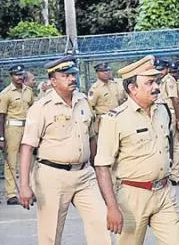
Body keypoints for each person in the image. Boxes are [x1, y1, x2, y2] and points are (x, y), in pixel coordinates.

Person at [17, 55, 111, 245]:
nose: (72, 79)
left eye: (73, 74)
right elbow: (27, 148)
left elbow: (91, 137)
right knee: (50, 234)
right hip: (52, 176)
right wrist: (25, 186)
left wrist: (99, 170)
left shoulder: (83, 101)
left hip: (85, 175)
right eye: (66, 75)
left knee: (101, 223)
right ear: (53, 81)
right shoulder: (41, 108)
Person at [94, 55, 179, 245]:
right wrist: (112, 207)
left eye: (156, 81)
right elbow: (102, 166)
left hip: (164, 193)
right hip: (132, 197)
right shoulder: (115, 119)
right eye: (149, 83)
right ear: (132, 88)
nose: (156, 87)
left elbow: (169, 144)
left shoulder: (162, 110)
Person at [0, 64, 34, 205]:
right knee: (11, 162)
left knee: (28, 161)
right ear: (11, 76)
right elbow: (1, 116)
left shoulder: (29, 91)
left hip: (27, 127)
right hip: (12, 128)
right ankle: (11, 194)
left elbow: (33, 109)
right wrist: (1, 137)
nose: (20, 77)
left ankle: (29, 190)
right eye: (16, 75)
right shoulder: (6, 93)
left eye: (21, 75)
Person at [156, 58, 179, 185]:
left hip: (171, 115)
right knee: (166, 145)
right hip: (162, 115)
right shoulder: (160, 81)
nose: (159, 71)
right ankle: (170, 172)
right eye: (157, 69)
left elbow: (175, 100)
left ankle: (175, 174)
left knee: (176, 145)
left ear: (167, 69)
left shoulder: (169, 81)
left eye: (161, 69)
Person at [88, 63, 127, 140]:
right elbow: (90, 108)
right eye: (103, 71)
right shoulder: (95, 89)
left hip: (120, 118)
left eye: (108, 70)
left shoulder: (116, 84)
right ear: (97, 73)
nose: (106, 73)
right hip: (104, 121)